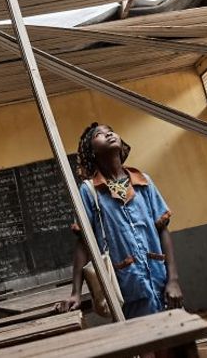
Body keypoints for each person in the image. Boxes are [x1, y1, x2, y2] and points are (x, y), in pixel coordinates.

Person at [58, 122, 183, 319]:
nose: (108, 135)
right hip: (126, 286)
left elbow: (162, 230)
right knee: (144, 344)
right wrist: (75, 292)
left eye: (111, 132)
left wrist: (173, 280)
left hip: (160, 281)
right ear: (92, 152)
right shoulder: (89, 191)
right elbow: (84, 242)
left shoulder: (143, 182)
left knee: (176, 341)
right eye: (100, 134)